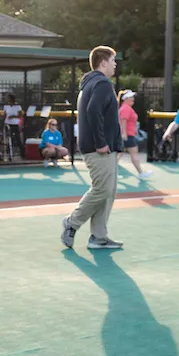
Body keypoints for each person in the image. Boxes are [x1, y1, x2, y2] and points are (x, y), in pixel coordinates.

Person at [60, 46, 124, 250]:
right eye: (113, 60)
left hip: (103, 147)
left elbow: (104, 116)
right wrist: (101, 143)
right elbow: (93, 111)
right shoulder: (102, 83)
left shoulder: (92, 83)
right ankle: (72, 222)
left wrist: (116, 144)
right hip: (98, 148)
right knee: (102, 189)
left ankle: (99, 236)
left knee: (109, 191)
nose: (115, 64)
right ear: (103, 62)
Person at [118, 89, 152, 179]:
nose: (133, 99)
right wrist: (124, 134)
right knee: (133, 153)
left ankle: (111, 174)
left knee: (119, 154)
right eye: (130, 97)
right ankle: (141, 173)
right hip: (127, 135)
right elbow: (123, 121)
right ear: (125, 99)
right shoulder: (126, 108)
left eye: (132, 97)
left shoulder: (126, 108)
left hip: (129, 134)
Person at [3, 93, 25, 159]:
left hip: (15, 124)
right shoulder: (6, 106)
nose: (6, 99)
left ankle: (22, 154)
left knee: (17, 138)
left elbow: (21, 115)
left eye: (8, 97)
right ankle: (8, 153)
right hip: (7, 124)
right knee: (8, 138)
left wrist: (13, 116)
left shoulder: (17, 106)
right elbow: (4, 114)